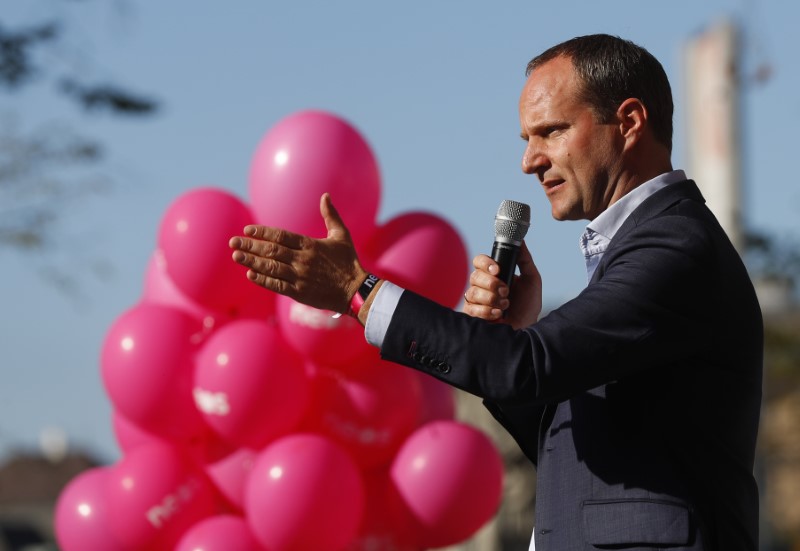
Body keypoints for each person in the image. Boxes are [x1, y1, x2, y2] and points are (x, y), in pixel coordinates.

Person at [229, 34, 762, 550]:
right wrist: (517, 335)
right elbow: (576, 450)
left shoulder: (675, 246)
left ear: (628, 122)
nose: (529, 161)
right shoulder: (643, 247)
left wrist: (357, 290)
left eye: (550, 132)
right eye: (526, 139)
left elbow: (526, 367)